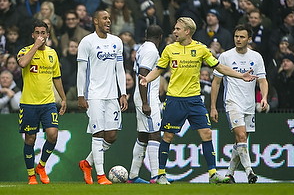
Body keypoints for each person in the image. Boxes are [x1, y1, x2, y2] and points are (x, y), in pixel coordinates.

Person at [139, 17, 257, 185]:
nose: (174, 31)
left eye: (177, 29)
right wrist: (147, 80)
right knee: (168, 136)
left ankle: (212, 173)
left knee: (207, 134)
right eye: (174, 28)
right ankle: (161, 174)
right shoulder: (169, 49)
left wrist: (241, 75)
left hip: (194, 100)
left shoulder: (201, 49)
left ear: (187, 31)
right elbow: (158, 69)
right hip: (174, 99)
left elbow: (219, 67)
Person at [210, 24, 269, 184]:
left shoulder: (256, 57)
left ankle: (229, 174)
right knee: (242, 136)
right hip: (232, 102)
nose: (238, 39)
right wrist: (213, 107)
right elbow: (216, 83)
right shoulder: (225, 56)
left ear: (249, 39)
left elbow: (262, 80)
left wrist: (264, 97)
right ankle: (250, 172)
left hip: (249, 104)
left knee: (240, 142)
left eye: (242, 37)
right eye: (236, 36)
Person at [77, 10, 128, 185]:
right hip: (94, 96)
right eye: (104, 18)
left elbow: (120, 70)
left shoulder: (117, 42)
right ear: (95, 20)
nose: (108, 21)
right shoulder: (87, 42)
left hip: (112, 95)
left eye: (109, 18)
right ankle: (100, 175)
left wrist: (123, 93)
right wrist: (81, 95)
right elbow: (81, 71)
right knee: (98, 134)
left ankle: (87, 163)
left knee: (111, 135)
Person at [17, 20, 67, 185]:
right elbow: (23, 63)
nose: (40, 36)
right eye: (37, 33)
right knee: (30, 139)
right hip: (29, 104)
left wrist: (64, 98)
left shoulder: (52, 53)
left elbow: (56, 77)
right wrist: (35, 47)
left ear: (47, 35)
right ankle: (31, 175)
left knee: (53, 135)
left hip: (48, 103)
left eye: (43, 33)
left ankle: (42, 166)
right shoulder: (24, 51)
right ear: (33, 35)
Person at [127, 25, 163, 184]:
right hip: (147, 96)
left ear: (146, 34)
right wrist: (145, 102)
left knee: (143, 136)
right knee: (154, 134)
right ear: (160, 37)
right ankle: (156, 176)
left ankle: (133, 175)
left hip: (141, 95)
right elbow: (144, 74)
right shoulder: (152, 51)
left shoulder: (142, 48)